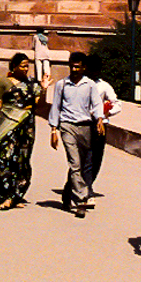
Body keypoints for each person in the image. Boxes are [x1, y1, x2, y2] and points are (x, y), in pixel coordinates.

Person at [0, 53, 48, 210]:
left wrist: (44, 89)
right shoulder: (4, 83)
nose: (26, 69)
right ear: (14, 66)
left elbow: (39, 105)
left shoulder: (32, 83)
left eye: (27, 66)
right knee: (7, 158)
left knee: (23, 161)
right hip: (8, 124)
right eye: (23, 66)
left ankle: (16, 195)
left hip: (27, 126)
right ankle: (6, 195)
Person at [48, 51, 104, 218]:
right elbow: (56, 107)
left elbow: (96, 103)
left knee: (80, 163)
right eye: (72, 66)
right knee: (75, 163)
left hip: (85, 127)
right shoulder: (62, 85)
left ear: (84, 67)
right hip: (67, 126)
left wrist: (99, 119)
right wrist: (53, 130)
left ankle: (67, 191)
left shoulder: (90, 85)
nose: (74, 69)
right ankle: (81, 201)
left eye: (77, 67)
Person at [85, 53, 120, 200]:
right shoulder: (80, 84)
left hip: (100, 125)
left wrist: (108, 112)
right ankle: (84, 188)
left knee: (97, 157)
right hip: (83, 124)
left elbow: (117, 104)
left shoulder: (104, 86)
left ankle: (89, 183)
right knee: (84, 157)